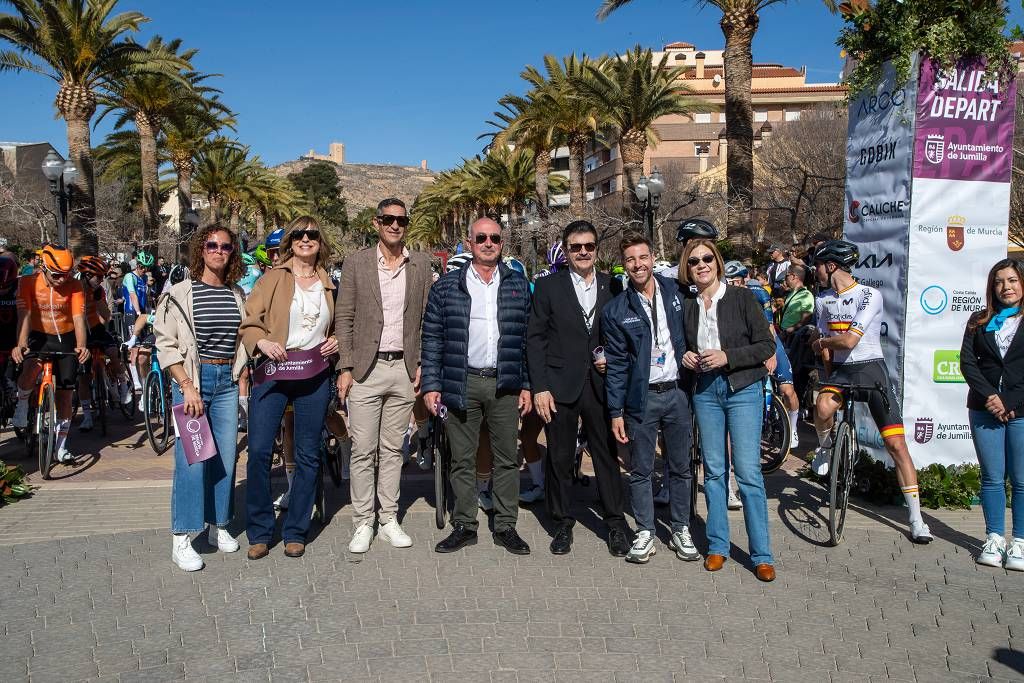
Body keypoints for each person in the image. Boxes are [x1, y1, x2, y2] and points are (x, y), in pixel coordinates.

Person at [421, 217, 533, 555]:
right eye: (481, 237)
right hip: (462, 380)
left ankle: (506, 526)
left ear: (502, 243)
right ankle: (465, 524)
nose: (488, 243)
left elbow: (526, 340)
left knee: (507, 459)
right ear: (469, 242)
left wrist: (526, 384)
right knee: (462, 459)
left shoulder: (516, 284)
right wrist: (430, 384)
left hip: (504, 383)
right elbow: (432, 338)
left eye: (494, 238)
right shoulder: (446, 286)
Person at [810, 239, 932, 544]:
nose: (816, 272)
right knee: (823, 407)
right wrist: (829, 378)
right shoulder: (822, 301)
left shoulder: (869, 295)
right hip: (841, 371)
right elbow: (828, 349)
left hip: (871, 369)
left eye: (819, 266)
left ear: (831, 265)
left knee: (896, 446)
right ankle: (826, 448)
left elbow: (849, 342)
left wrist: (823, 342)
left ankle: (916, 518)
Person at [335, 198, 432, 554]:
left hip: (404, 369)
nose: (395, 225)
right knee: (363, 449)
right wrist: (345, 367)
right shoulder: (357, 262)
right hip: (366, 368)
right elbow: (344, 317)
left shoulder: (420, 264)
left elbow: (425, 319)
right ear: (376, 223)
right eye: (388, 219)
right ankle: (363, 521)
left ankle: (388, 518)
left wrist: (422, 362)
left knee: (393, 449)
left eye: (401, 220)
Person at [528, 220, 630, 557]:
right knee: (559, 457)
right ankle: (561, 523)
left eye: (588, 246)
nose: (582, 252)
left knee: (606, 455)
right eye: (575, 247)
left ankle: (615, 524)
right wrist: (540, 387)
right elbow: (535, 340)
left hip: (600, 386)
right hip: (559, 385)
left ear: (597, 249)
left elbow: (625, 335)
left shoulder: (613, 286)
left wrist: (613, 361)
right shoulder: (548, 287)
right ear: (567, 250)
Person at [241, 216, 338, 560]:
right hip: (274, 372)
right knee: (260, 452)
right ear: (290, 241)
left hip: (313, 375)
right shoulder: (272, 279)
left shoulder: (328, 283)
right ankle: (260, 531)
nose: (306, 239)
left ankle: (296, 530)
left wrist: (336, 341)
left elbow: (338, 324)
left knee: (309, 454)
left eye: (312, 234)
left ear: (320, 242)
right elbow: (250, 322)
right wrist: (263, 343)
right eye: (299, 234)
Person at [680, 239, 777, 581]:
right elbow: (683, 346)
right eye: (694, 261)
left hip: (742, 388)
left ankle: (761, 554)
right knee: (715, 471)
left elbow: (766, 344)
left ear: (717, 263)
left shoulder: (741, 297)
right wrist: (687, 357)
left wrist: (728, 356)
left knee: (748, 473)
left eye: (707, 258)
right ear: (687, 268)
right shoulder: (689, 305)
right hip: (705, 390)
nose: (701, 264)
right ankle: (718, 547)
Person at [154, 223, 248, 572]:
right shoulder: (179, 293)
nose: (218, 251)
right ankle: (182, 536)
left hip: (226, 380)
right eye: (212, 245)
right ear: (201, 250)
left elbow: (244, 340)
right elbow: (165, 343)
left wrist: (240, 379)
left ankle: (217, 524)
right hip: (193, 380)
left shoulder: (237, 294)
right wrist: (187, 385)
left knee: (224, 457)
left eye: (225, 246)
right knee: (193, 460)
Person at [603, 233, 695, 564]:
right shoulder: (616, 311)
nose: (638, 265)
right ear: (623, 265)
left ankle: (681, 527)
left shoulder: (678, 293)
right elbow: (615, 366)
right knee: (641, 469)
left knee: (681, 467)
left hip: (678, 393)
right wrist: (615, 411)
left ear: (653, 258)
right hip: (641, 399)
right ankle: (645, 531)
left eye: (643, 257)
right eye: (630, 259)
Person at [960, 258, 1024, 570]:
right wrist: (991, 397)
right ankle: (995, 537)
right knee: (992, 477)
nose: (1006, 288)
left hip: (1021, 410)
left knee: (1022, 479)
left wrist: (1009, 400)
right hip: (984, 409)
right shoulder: (978, 320)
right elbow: (967, 363)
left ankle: (1020, 542)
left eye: (1012, 280)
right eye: (999, 282)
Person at [11, 244, 89, 462]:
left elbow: (78, 319)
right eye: (57, 275)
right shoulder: (27, 283)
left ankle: (61, 446)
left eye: (67, 274)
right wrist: (21, 344)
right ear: (43, 267)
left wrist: (82, 345)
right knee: (28, 369)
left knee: (65, 394)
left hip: (65, 338)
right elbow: (24, 315)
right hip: (37, 335)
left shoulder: (75, 286)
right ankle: (23, 403)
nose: (63, 279)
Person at [76, 255, 131, 431]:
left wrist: (102, 321)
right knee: (83, 376)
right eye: (98, 276)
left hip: (96, 328)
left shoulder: (98, 290)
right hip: (78, 331)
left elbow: (105, 313)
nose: (101, 280)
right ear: (86, 274)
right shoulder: (74, 289)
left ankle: (123, 386)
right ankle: (86, 417)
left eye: (102, 276)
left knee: (114, 354)